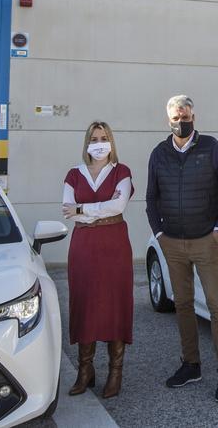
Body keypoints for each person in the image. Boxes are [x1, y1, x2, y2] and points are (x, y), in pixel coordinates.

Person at [145, 94, 218, 404]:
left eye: (186, 117)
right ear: (168, 119)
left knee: (217, 307)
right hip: (172, 242)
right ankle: (191, 365)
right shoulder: (159, 153)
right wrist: (159, 233)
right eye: (175, 117)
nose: (181, 122)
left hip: (206, 241)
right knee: (183, 304)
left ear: (194, 118)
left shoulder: (213, 148)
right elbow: (151, 198)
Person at [62, 121, 134, 399]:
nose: (100, 142)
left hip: (114, 245)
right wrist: (93, 211)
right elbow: (68, 211)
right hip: (83, 246)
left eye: (104, 137)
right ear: (87, 143)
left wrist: (83, 208)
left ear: (111, 141)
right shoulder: (73, 174)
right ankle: (85, 371)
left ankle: (115, 372)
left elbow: (118, 206)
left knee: (115, 304)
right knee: (85, 303)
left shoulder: (122, 172)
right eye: (94, 138)